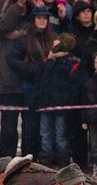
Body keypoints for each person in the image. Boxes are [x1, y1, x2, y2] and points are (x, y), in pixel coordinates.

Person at [6, 6, 56, 159]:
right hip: (31, 85)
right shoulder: (24, 39)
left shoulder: (53, 38)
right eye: (39, 17)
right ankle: (29, 154)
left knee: (48, 122)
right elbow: (11, 58)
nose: (42, 20)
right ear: (34, 20)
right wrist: (29, 69)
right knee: (31, 122)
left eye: (44, 18)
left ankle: (46, 155)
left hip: (49, 85)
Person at [33, 33, 83, 169]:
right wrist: (38, 99)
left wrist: (69, 103)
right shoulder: (47, 62)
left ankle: (62, 159)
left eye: (58, 41)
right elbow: (39, 82)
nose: (54, 42)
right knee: (45, 133)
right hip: (45, 104)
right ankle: (45, 159)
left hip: (62, 106)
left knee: (61, 134)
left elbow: (74, 86)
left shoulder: (70, 64)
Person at [0, 0, 32, 158]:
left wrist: (21, 34)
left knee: (29, 127)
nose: (22, 9)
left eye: (25, 6)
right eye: (18, 6)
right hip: (8, 84)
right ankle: (5, 161)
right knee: (8, 129)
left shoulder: (33, 23)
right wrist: (18, 5)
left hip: (29, 83)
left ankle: (28, 159)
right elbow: (4, 25)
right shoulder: (2, 27)